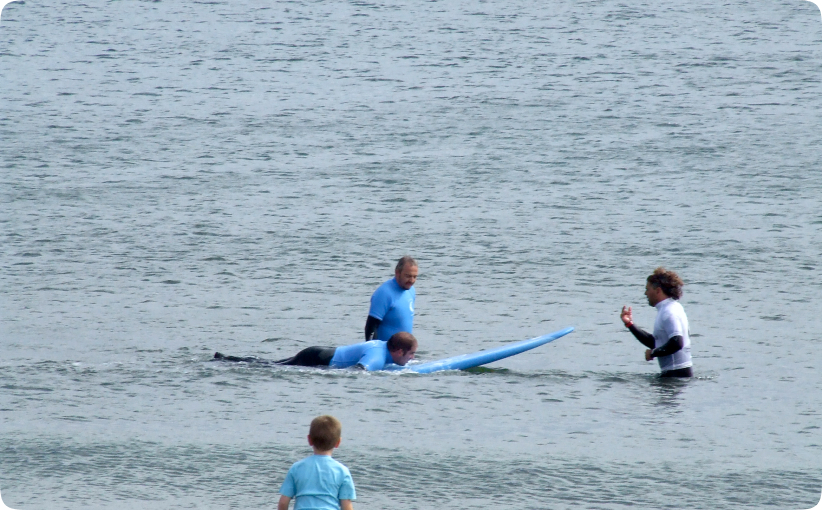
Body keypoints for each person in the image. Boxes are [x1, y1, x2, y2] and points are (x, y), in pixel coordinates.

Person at [620, 267, 693, 378]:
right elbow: (657, 343)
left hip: (676, 376)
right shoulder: (669, 308)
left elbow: (677, 342)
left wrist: (653, 353)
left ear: (658, 290)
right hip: (675, 375)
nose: (645, 293)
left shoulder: (669, 312)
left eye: (647, 289)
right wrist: (630, 324)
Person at [213, 332, 417, 371]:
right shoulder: (377, 358)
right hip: (316, 359)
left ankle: (227, 359)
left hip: (319, 352)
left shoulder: (382, 345)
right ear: (398, 352)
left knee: (271, 364)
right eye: (411, 355)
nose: (412, 358)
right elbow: (357, 372)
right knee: (268, 367)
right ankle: (226, 361)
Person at [278, 415, 355, 510]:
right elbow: (346, 506)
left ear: (309, 440)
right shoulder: (342, 471)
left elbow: (283, 502)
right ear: (338, 442)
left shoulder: (297, 468)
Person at [364, 256, 418, 341]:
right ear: (397, 273)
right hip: (385, 351)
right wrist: (374, 350)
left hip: (404, 352)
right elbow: (370, 328)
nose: (411, 280)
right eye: (408, 276)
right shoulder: (384, 293)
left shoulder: (411, 290)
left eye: (414, 277)